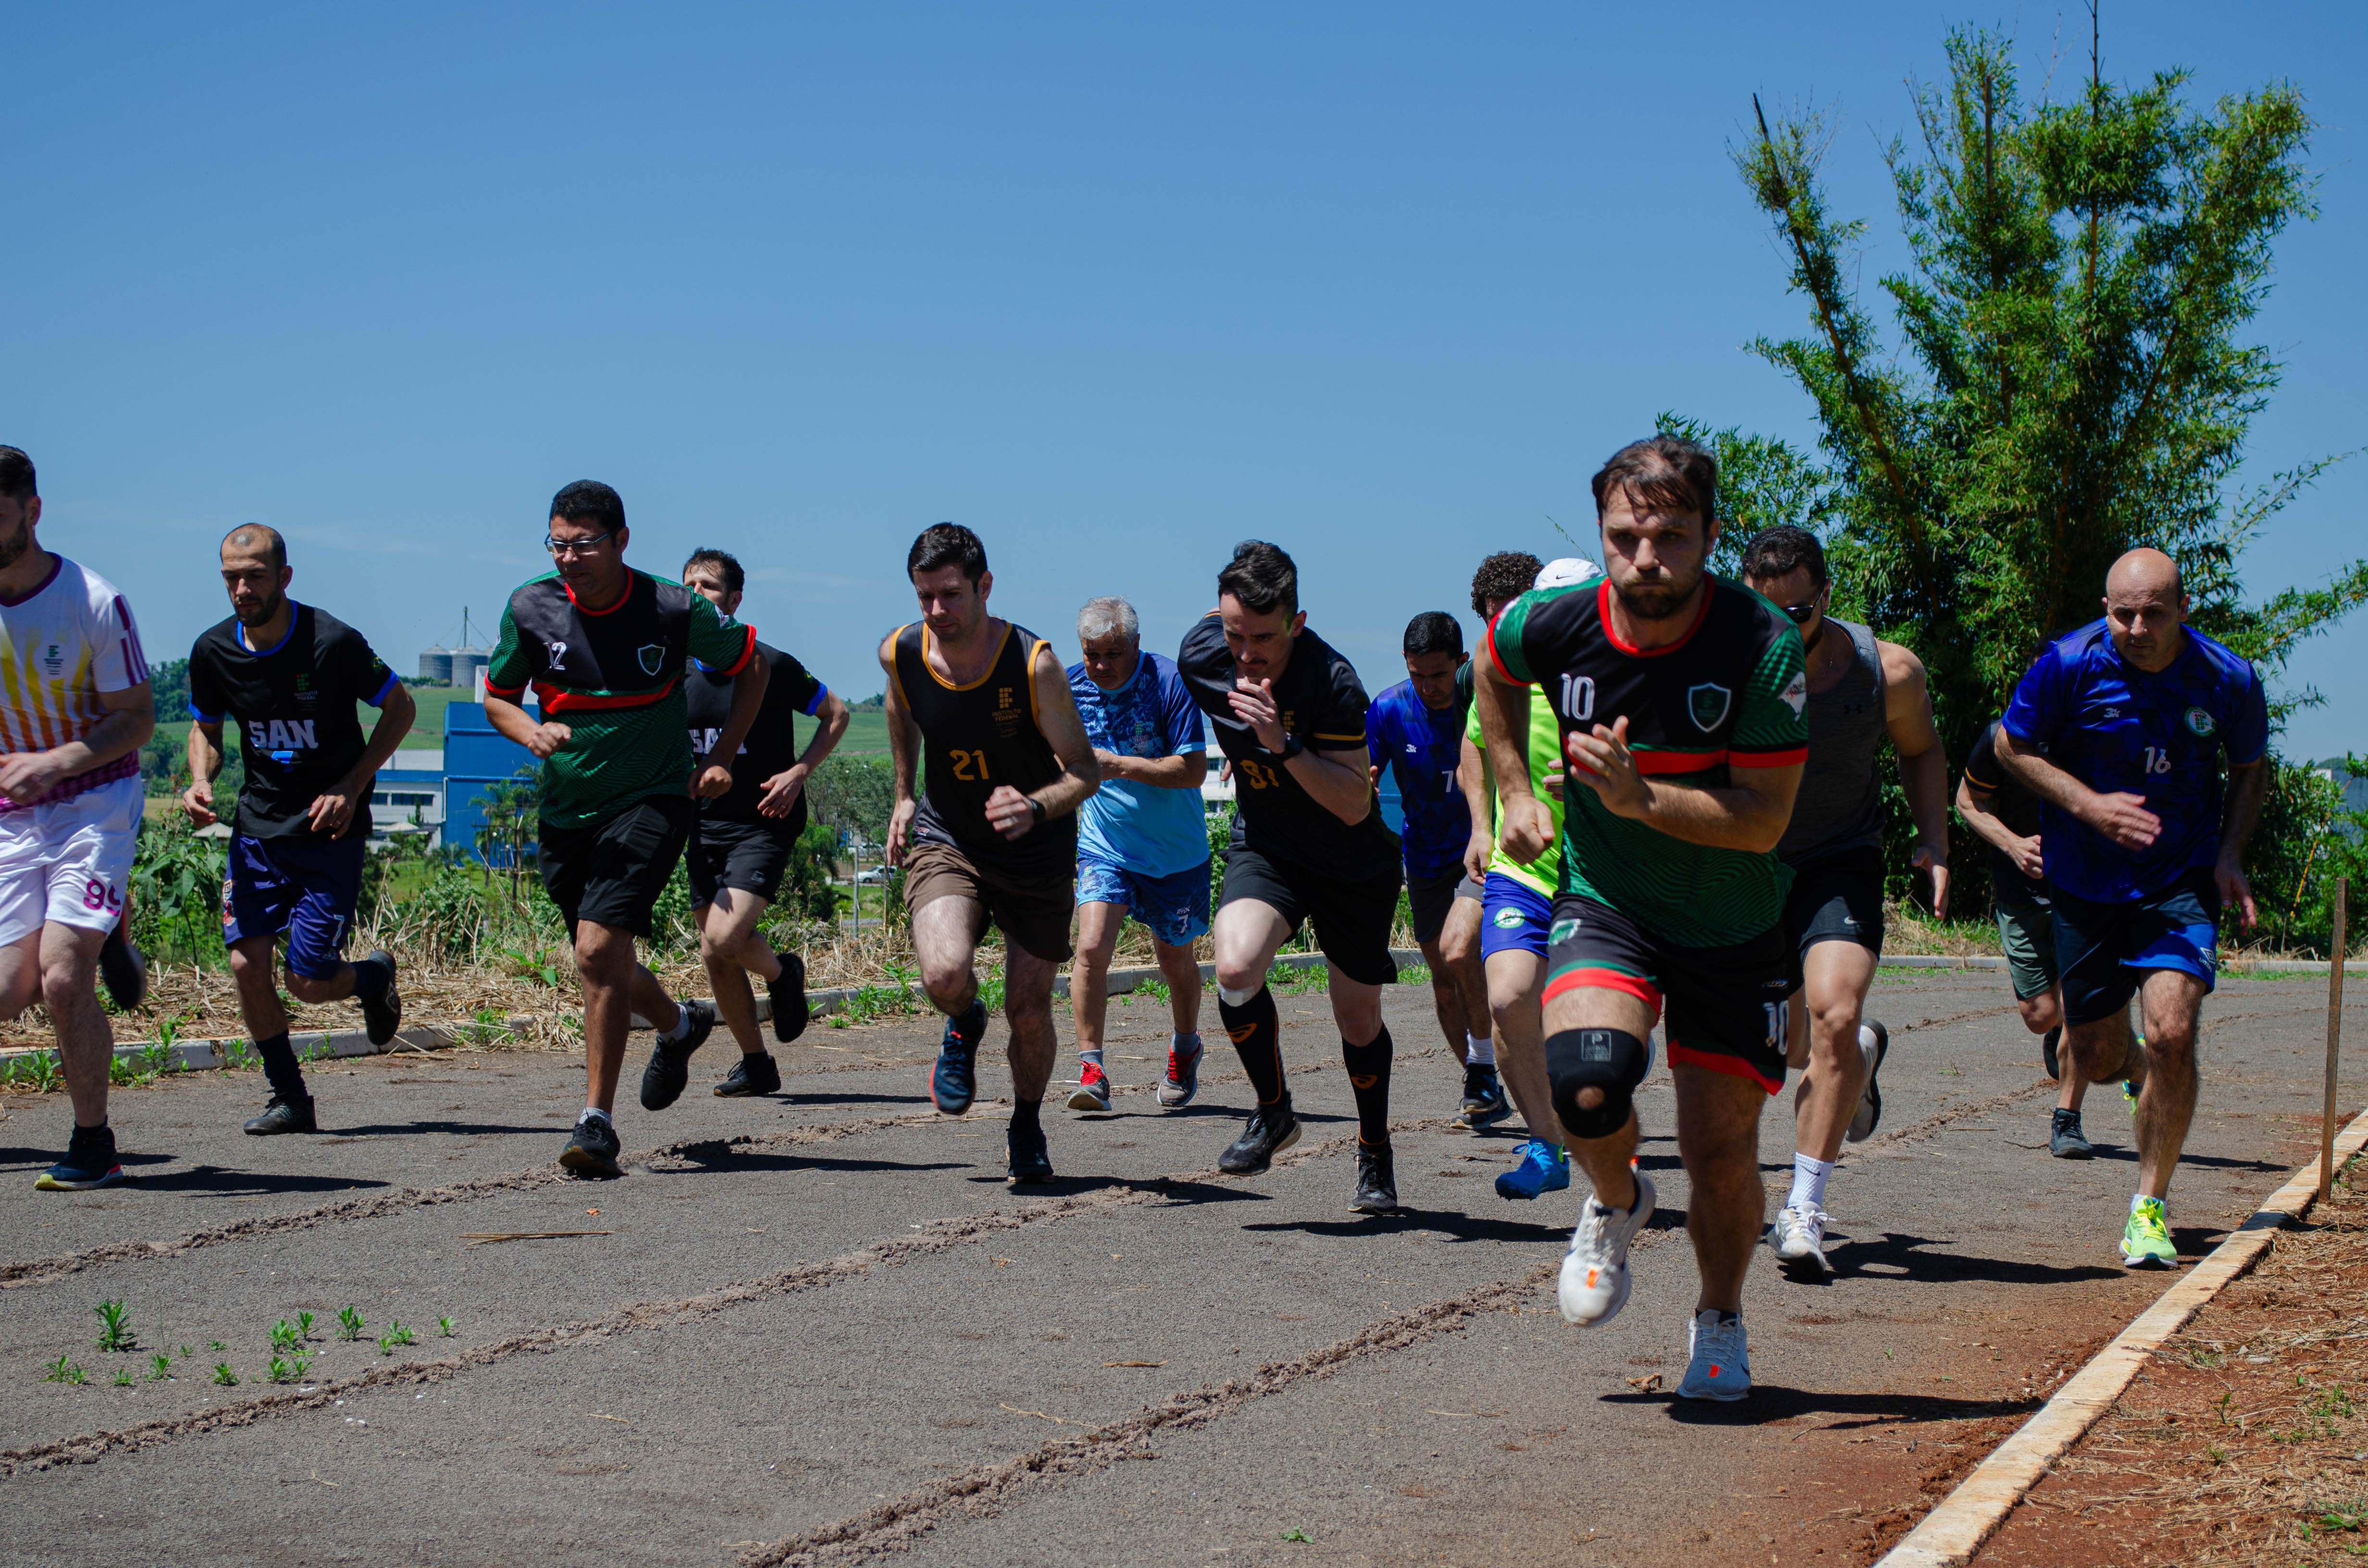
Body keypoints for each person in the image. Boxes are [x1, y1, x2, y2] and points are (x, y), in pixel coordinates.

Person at [1477, 435, 1808, 1401]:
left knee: (1717, 1150)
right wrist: (1514, 791)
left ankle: (1719, 1318)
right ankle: (1617, 1200)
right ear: (1601, 533)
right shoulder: (1553, 622)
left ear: (1709, 534)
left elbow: (1763, 821)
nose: (1645, 559)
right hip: (1609, 901)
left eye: (1670, 538)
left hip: (1732, 925)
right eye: (1624, 538)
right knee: (1584, 1083)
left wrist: (1641, 800)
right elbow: (1491, 671)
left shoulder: (1760, 644)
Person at [482, 481, 769, 1178]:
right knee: (599, 961)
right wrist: (529, 732)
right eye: (558, 544)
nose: (568, 558)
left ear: (621, 541)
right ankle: (680, 1025)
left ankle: (596, 1123)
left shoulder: (672, 608)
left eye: (583, 545)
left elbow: (752, 666)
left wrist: (724, 756)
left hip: (653, 798)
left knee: (597, 948)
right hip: (566, 811)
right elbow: (497, 698)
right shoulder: (529, 607)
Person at [1995, 548, 2268, 1268]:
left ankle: (2149, 1207)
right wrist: (2089, 806)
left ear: (2184, 610)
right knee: (2096, 1058)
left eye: (2153, 614)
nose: (2137, 629)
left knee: (2173, 1031)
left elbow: (2249, 767)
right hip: (2084, 883)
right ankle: (2143, 1069)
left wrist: (2230, 854)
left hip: (2179, 881)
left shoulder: (2227, 678)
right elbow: (2010, 746)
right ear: (2105, 610)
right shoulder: (2067, 663)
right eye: (2123, 615)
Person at [1739, 526, 1949, 1279]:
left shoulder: (1885, 673)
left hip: (1839, 859)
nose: (1780, 630)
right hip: (1755, 865)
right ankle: (1860, 1059)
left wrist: (1935, 842)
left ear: (1826, 596)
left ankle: (1804, 1209)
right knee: (1793, 1050)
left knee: (1834, 1013)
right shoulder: (1726, 669)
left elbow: (1921, 749)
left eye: (1796, 613)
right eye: (1764, 614)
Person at [1176, 541, 1407, 1213]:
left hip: (1349, 860)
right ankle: (1273, 1110)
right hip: (1270, 846)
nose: (1246, 654)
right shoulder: (1203, 654)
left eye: (1264, 639)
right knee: (1235, 968)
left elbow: (1354, 802)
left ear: (1297, 624)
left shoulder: (1332, 682)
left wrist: (1281, 744)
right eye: (1235, 634)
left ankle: (1374, 1151)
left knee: (1357, 1020)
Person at [881, 524, 1098, 1183]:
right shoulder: (902, 652)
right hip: (950, 837)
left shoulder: (1033, 665)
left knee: (1028, 1011)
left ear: (985, 587)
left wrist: (1034, 805)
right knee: (944, 976)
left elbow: (1084, 770)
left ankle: (1026, 1124)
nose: (936, 611)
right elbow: (900, 710)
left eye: (951, 595)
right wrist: (903, 795)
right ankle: (963, 1019)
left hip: (1035, 852)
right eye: (925, 597)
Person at [184, 525, 414, 1134]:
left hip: (328, 834)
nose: (242, 589)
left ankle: (372, 977)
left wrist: (352, 785)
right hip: (257, 832)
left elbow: (401, 707)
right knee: (246, 966)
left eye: (255, 576)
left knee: (308, 982)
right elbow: (206, 728)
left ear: (284, 577)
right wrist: (201, 779)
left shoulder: (332, 642)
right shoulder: (212, 650)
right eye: (231, 577)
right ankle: (289, 1096)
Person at [0, 448, 158, 1191]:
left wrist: (58, 761)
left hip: (94, 802)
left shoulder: (93, 601)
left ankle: (94, 1145)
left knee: (63, 979)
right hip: (12, 812)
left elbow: (138, 717)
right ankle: (112, 926)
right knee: (9, 993)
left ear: (32, 513)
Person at [679, 548, 849, 1096]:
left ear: (733, 601)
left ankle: (782, 974)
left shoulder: (770, 664)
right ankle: (756, 1063)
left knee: (725, 937)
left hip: (763, 820)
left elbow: (837, 714)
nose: (696, 595)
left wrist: (799, 771)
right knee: (714, 951)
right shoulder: (672, 672)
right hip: (702, 826)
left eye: (708, 586)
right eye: (688, 586)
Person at [1458, 554, 1595, 1201]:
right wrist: (1482, 826)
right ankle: (1546, 1146)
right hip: (1523, 870)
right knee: (1510, 1001)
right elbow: (1475, 743)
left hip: (1601, 875)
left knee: (1588, 1027)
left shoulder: (1626, 677)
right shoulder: (1507, 672)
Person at [1062, 596, 1211, 1115]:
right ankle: (1092, 1070)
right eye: (1092, 654)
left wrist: (1119, 766)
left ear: (1136, 645)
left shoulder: (1169, 683)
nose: (1102, 665)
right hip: (1106, 846)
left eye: (1113, 653)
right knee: (1091, 949)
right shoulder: (1068, 688)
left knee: (1174, 959)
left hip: (1175, 853)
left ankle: (1185, 1047)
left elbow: (1193, 771)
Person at [1367, 612, 1505, 1129]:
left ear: (1461, 663)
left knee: (1463, 952)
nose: (1428, 687)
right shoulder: (1388, 709)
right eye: (1417, 675)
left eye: (1439, 675)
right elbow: (1362, 773)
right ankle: (1483, 1083)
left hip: (1483, 853)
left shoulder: (1485, 701)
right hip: (1424, 859)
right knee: (1445, 983)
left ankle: (1497, 1065)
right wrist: (1362, 783)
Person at [1958, 712, 2096, 1158]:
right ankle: (2059, 1031)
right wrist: (2013, 844)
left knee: (2079, 1007)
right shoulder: (2000, 737)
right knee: (2041, 1015)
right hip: (2019, 892)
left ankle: (2067, 1120)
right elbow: (1967, 802)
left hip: (2083, 890)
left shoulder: (2096, 732)